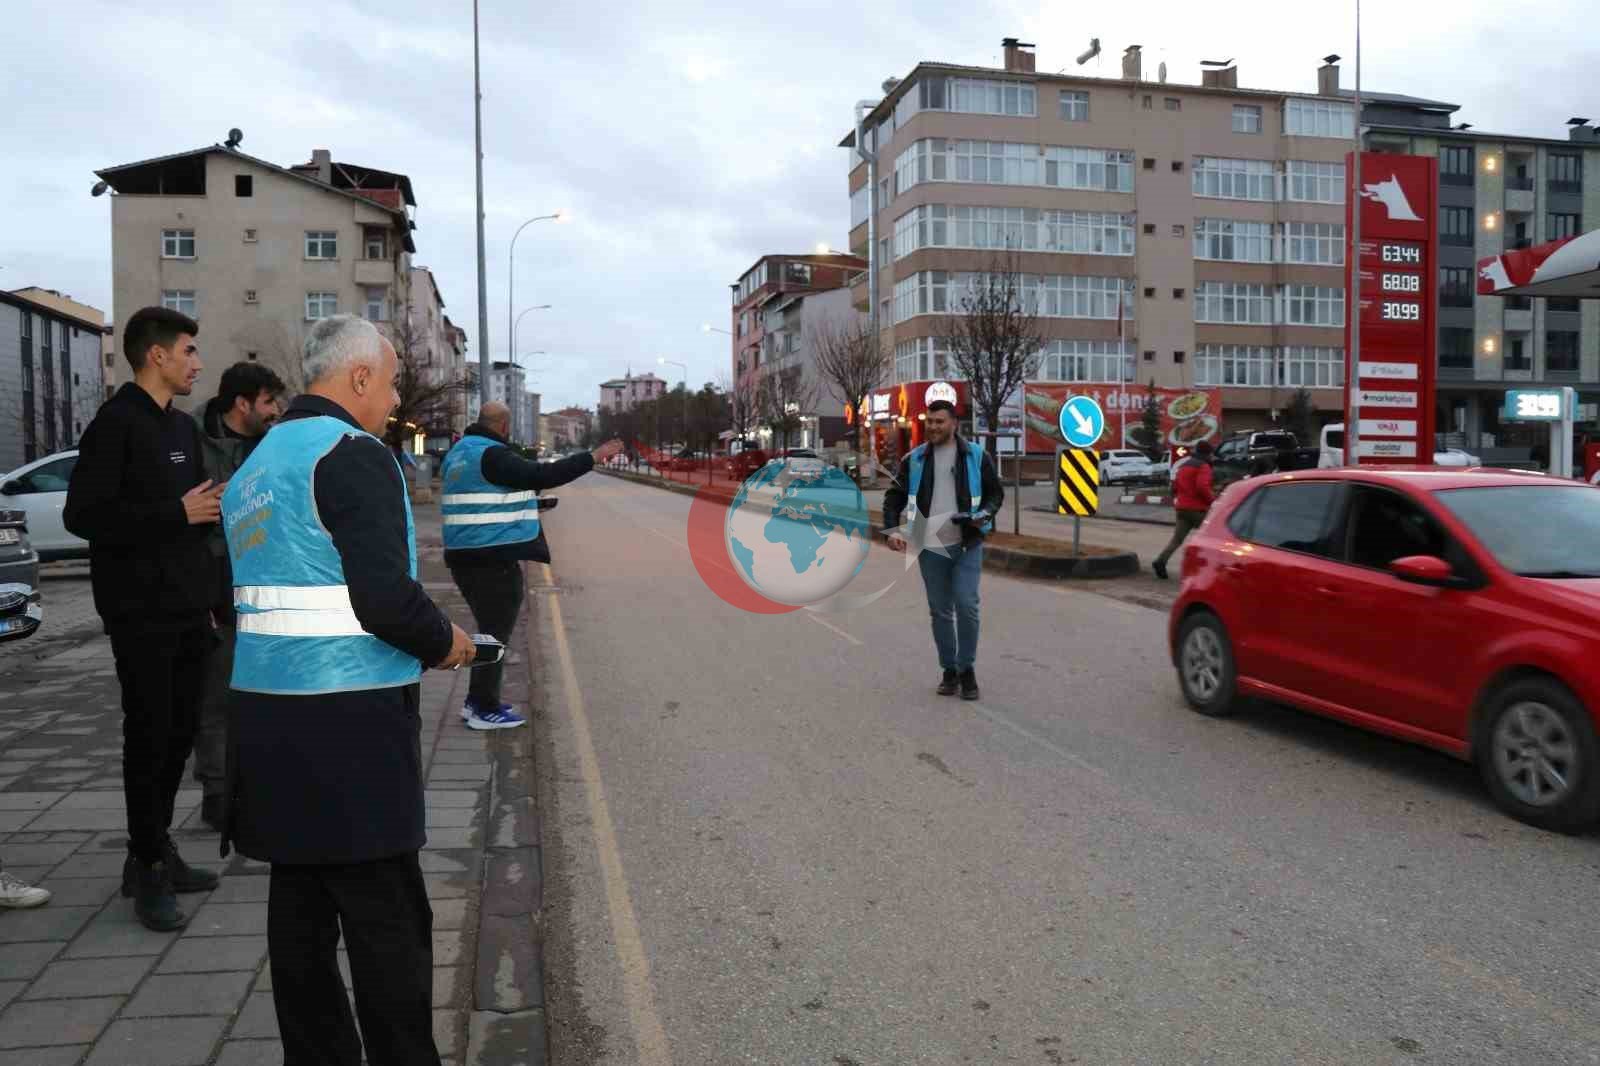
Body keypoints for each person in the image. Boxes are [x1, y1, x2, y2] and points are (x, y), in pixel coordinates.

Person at [221, 315, 474, 1066]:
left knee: (299, 922)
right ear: (359, 377)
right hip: (350, 728)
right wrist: (448, 642)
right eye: (391, 383)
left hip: (265, 723)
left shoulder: (258, 463)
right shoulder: (353, 454)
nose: (394, 399)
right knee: (386, 925)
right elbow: (384, 600)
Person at [63, 306, 222, 932]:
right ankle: (149, 865)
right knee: (150, 737)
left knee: (179, 736)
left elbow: (195, 513)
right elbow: (83, 516)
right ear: (157, 355)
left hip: (187, 607)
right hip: (140, 611)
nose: (197, 363)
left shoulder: (181, 426)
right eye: (188, 351)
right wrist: (174, 514)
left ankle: (152, 850)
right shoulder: (116, 424)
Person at [441, 402, 623, 728]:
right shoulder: (492, 454)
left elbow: (487, 497)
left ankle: (476, 701)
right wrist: (593, 457)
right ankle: (483, 708)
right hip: (491, 559)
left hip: (465, 556)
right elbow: (542, 474)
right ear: (504, 426)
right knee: (495, 634)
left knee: (489, 630)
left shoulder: (459, 453)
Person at [188, 362, 286, 832]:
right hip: (213, 589)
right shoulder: (189, 439)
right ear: (242, 403)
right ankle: (217, 793)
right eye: (268, 402)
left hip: (268, 585)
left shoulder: (273, 445)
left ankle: (260, 787)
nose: (276, 410)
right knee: (216, 697)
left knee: (265, 694)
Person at [882, 382, 1004, 701]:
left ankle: (967, 669)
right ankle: (949, 670)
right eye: (930, 421)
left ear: (954, 424)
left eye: (939, 421)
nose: (933, 427)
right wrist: (892, 529)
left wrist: (983, 514)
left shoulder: (976, 456)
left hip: (966, 543)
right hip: (930, 546)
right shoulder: (914, 459)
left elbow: (995, 493)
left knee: (967, 606)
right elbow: (893, 497)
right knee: (940, 611)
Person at [1152, 440, 1215, 580]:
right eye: (1211, 454)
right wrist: (1213, 501)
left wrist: (1179, 498)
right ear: (1208, 453)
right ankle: (1203, 571)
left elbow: (1174, 487)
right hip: (1198, 510)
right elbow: (1202, 487)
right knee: (1212, 538)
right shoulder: (1203, 466)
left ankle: (1161, 561)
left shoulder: (1184, 466)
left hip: (1182, 508)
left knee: (1177, 539)